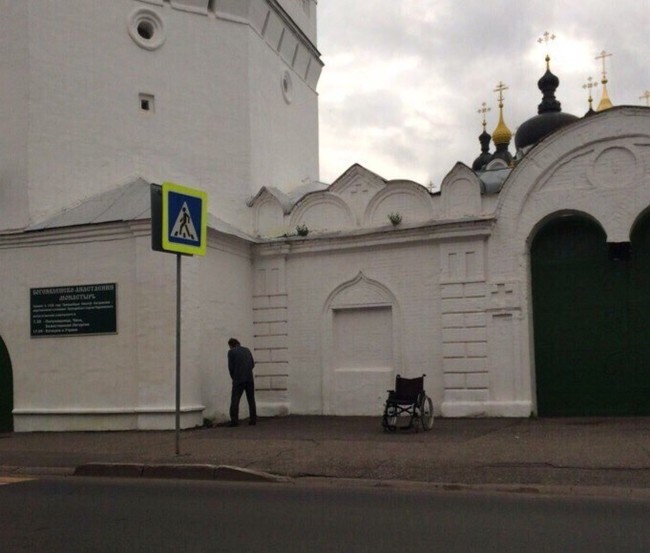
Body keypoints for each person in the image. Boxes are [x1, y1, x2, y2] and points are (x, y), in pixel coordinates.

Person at [227, 338, 257, 426]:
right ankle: (253, 419)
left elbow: (231, 367)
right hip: (249, 378)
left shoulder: (231, 352)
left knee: (235, 400)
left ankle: (234, 421)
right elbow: (252, 364)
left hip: (238, 379)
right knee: (251, 399)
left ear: (231, 345)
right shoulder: (247, 350)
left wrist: (234, 377)